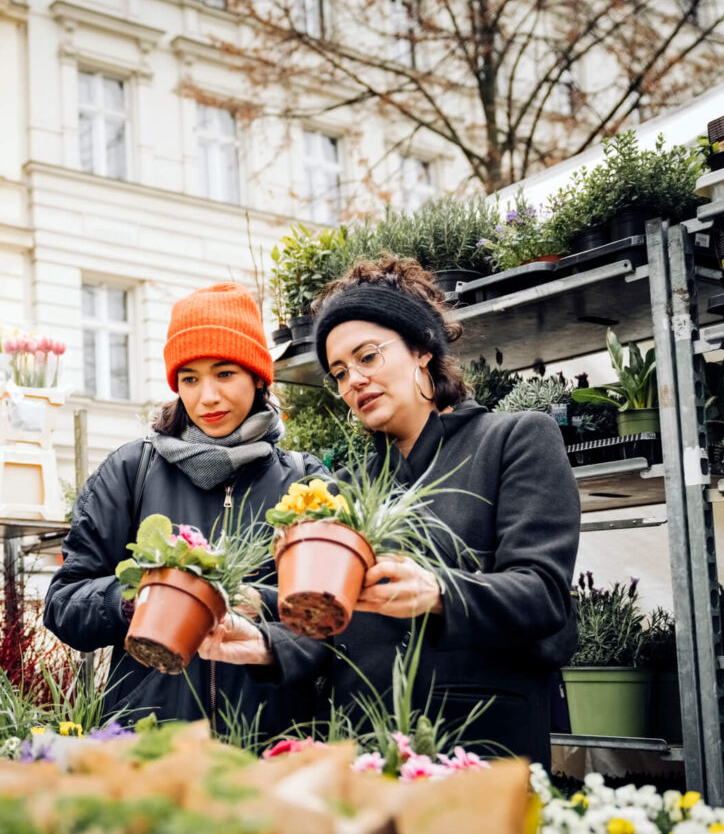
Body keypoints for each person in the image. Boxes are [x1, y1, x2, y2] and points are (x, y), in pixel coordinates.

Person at [286, 255, 580, 765]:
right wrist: (253, 624)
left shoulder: (513, 440)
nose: (353, 379)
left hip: (478, 742)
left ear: (421, 349)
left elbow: (541, 593)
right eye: (339, 371)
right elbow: (326, 616)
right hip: (366, 745)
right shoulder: (345, 488)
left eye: (368, 356)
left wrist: (439, 591)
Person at [43, 282, 329, 740]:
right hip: (150, 747)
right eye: (190, 378)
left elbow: (333, 620)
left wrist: (259, 605)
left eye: (224, 374)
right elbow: (63, 604)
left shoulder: (303, 483)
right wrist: (135, 597)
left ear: (258, 377)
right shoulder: (130, 471)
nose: (207, 397)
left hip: (270, 746)